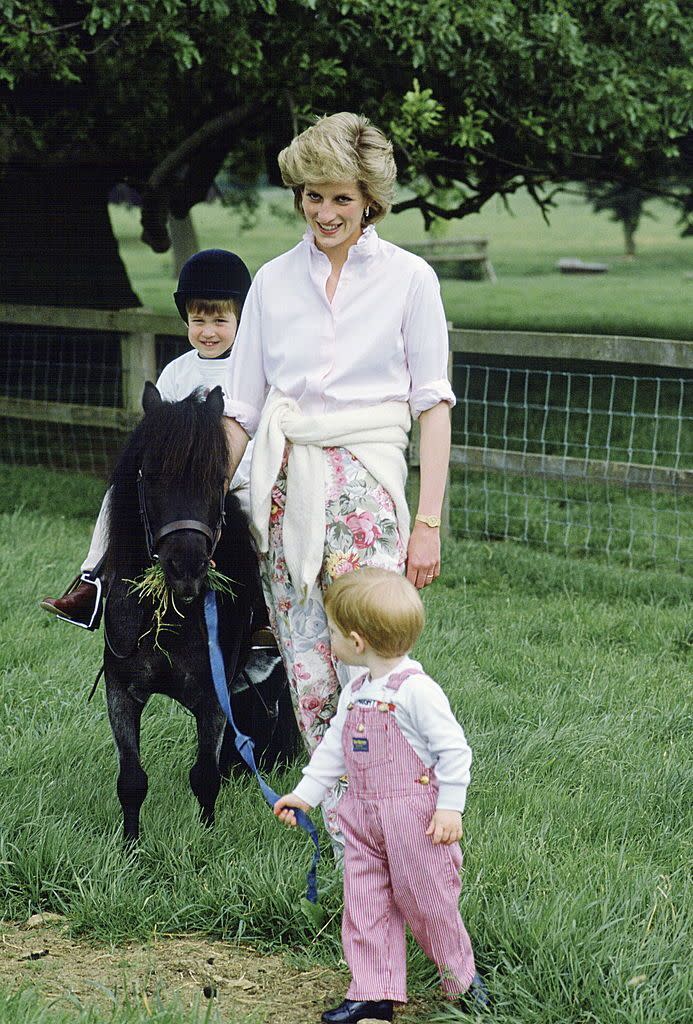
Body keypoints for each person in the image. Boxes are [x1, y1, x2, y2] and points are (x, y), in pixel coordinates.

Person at [221, 112, 455, 848]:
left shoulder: (410, 279)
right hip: (285, 485)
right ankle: (340, 815)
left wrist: (428, 521)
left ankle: (397, 804)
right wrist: (207, 493)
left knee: (369, 648)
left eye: (340, 200)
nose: (323, 213)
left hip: (366, 487)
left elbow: (432, 405)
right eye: (311, 196)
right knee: (305, 652)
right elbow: (242, 407)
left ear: (370, 201)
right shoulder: (271, 281)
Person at [274, 568, 489, 1023]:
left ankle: (463, 981)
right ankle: (373, 993)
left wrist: (450, 807)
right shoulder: (355, 692)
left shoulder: (417, 691)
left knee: (429, 903)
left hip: (416, 822)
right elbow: (333, 750)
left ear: (357, 641)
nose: (327, 638)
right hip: (363, 819)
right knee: (365, 903)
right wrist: (304, 795)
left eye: (331, 631)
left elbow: (455, 751)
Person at [40, 248, 252, 628]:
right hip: (180, 486)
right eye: (198, 319)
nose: (207, 331)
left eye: (220, 320)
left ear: (242, 319)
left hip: (238, 478)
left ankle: (262, 613)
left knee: (261, 519)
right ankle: (92, 584)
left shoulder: (249, 370)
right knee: (115, 497)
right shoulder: (176, 372)